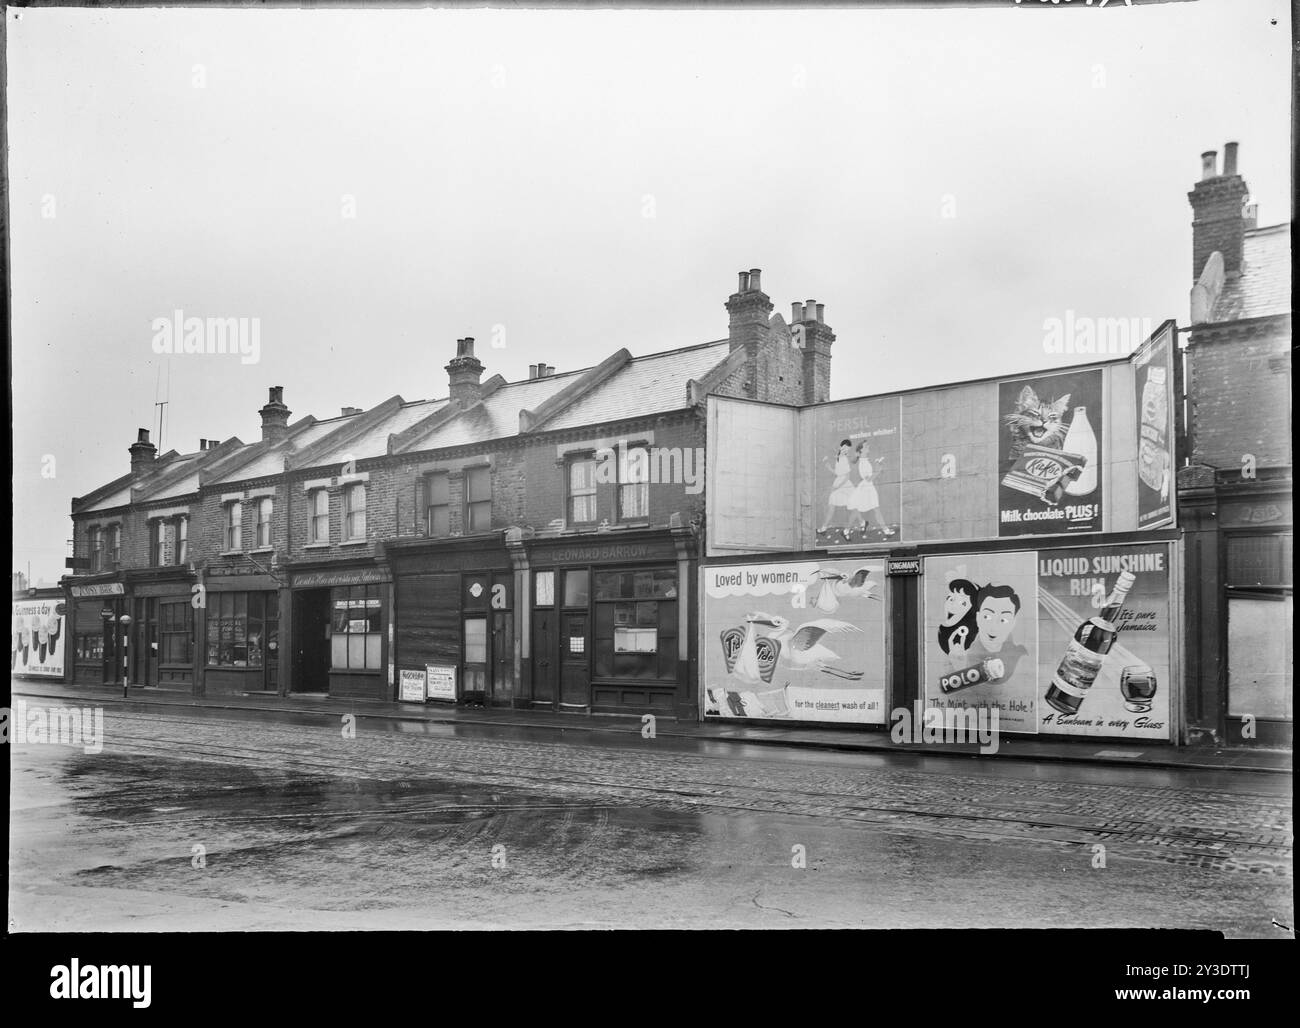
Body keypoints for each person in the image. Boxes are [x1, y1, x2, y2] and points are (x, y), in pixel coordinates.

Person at [846, 440, 895, 538]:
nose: (868, 446)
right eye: (866, 446)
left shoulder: (865, 461)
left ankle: (885, 530)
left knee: (873, 509)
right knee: (858, 510)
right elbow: (868, 479)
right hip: (866, 489)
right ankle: (847, 530)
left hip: (868, 488)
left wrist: (878, 468)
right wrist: (878, 469)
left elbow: (869, 477)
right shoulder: (863, 463)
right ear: (861, 450)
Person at [937, 578, 980, 671]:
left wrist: (959, 664)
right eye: (950, 599)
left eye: (962, 603)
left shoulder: (973, 637)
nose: (952, 605)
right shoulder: (943, 632)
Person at [818, 440, 856, 535]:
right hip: (838, 484)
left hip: (845, 486)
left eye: (847, 449)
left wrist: (837, 487)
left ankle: (858, 525)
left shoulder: (845, 459)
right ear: (840, 447)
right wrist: (829, 467)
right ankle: (824, 527)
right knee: (831, 506)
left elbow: (847, 476)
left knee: (854, 507)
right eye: (843, 448)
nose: (844, 450)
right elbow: (838, 473)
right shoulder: (838, 458)